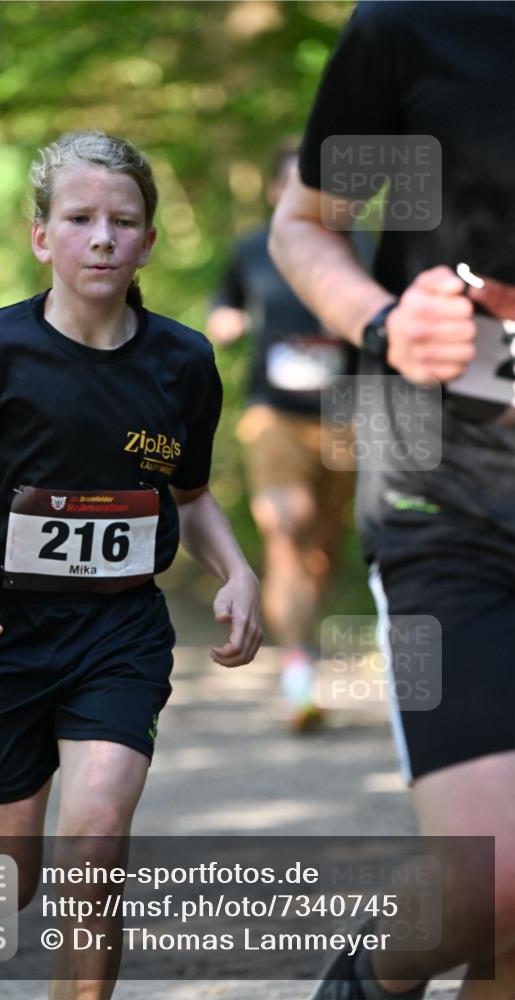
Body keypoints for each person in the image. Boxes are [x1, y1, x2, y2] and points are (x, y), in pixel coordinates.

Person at [0, 129, 262, 1000]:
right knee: (2, 884)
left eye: (122, 221)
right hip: (2, 634)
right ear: (40, 236)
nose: (102, 237)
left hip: (120, 632)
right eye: (80, 218)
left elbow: (192, 493)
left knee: (94, 846)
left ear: (148, 243)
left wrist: (235, 570)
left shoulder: (183, 361)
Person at [269, 2, 514, 999]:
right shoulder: (419, 23)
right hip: (444, 487)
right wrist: (381, 324)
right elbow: (303, 224)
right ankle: (363, 980)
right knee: (489, 885)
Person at [207, 143, 358, 731]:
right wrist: (227, 323)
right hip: (274, 414)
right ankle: (299, 679)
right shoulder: (251, 249)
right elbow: (223, 307)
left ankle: (306, 651)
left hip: (346, 418)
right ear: (275, 192)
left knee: (321, 553)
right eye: (293, 184)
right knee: (286, 525)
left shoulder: (358, 247)